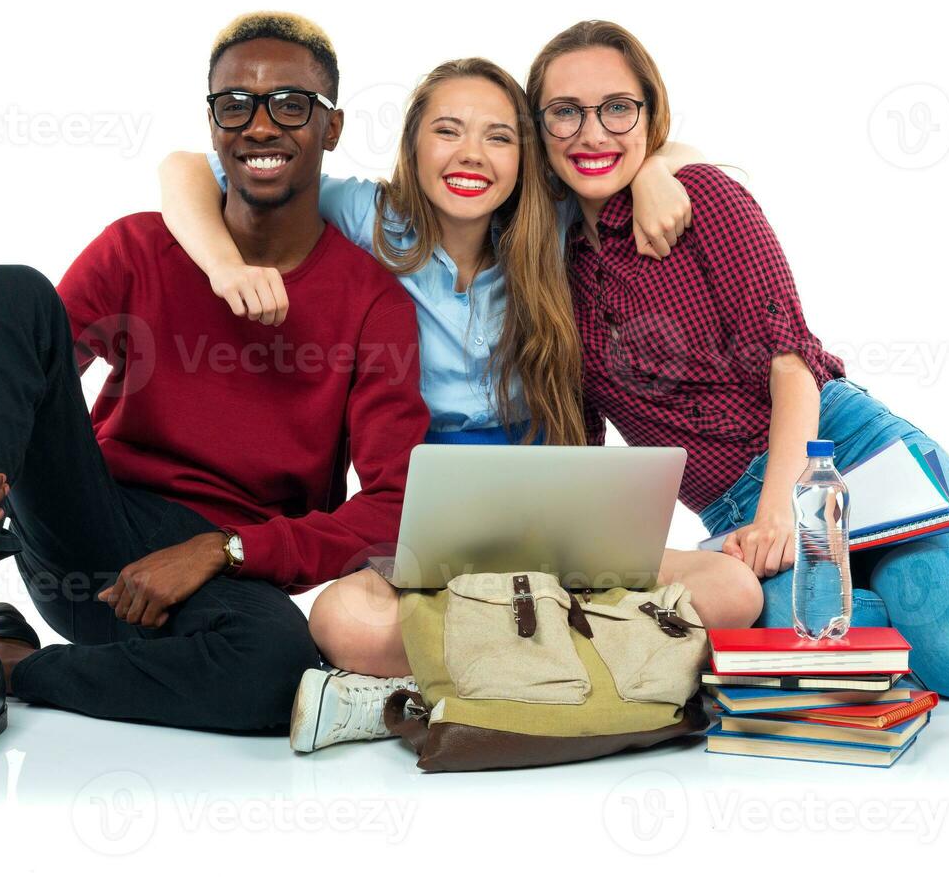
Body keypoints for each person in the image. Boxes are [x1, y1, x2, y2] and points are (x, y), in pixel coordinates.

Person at [0, 12, 430, 780]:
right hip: (89, 525)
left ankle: (7, 669)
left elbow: (395, 503)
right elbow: (25, 361)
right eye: (234, 104)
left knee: (279, 672)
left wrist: (226, 548)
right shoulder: (141, 248)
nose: (259, 125)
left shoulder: (373, 303)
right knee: (9, 290)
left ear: (331, 128)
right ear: (212, 123)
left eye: (291, 104)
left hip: (218, 575)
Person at [529, 19, 949, 700]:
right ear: (540, 128)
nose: (592, 133)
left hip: (845, 462)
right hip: (740, 516)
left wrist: (783, 508)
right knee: (764, 627)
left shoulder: (706, 201)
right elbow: (583, 436)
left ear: (649, 114)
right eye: (565, 112)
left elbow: (793, 366)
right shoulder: (546, 272)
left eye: (616, 108)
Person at [157, 56, 764, 752]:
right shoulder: (368, 216)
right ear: (412, 146)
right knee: (338, 620)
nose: (471, 154)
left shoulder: (553, 225)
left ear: (524, 157)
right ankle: (587, 676)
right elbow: (187, 169)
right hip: (430, 531)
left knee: (734, 592)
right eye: (448, 131)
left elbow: (687, 160)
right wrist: (226, 267)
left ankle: (424, 690)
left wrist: (658, 170)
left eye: (499, 137)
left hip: (562, 530)